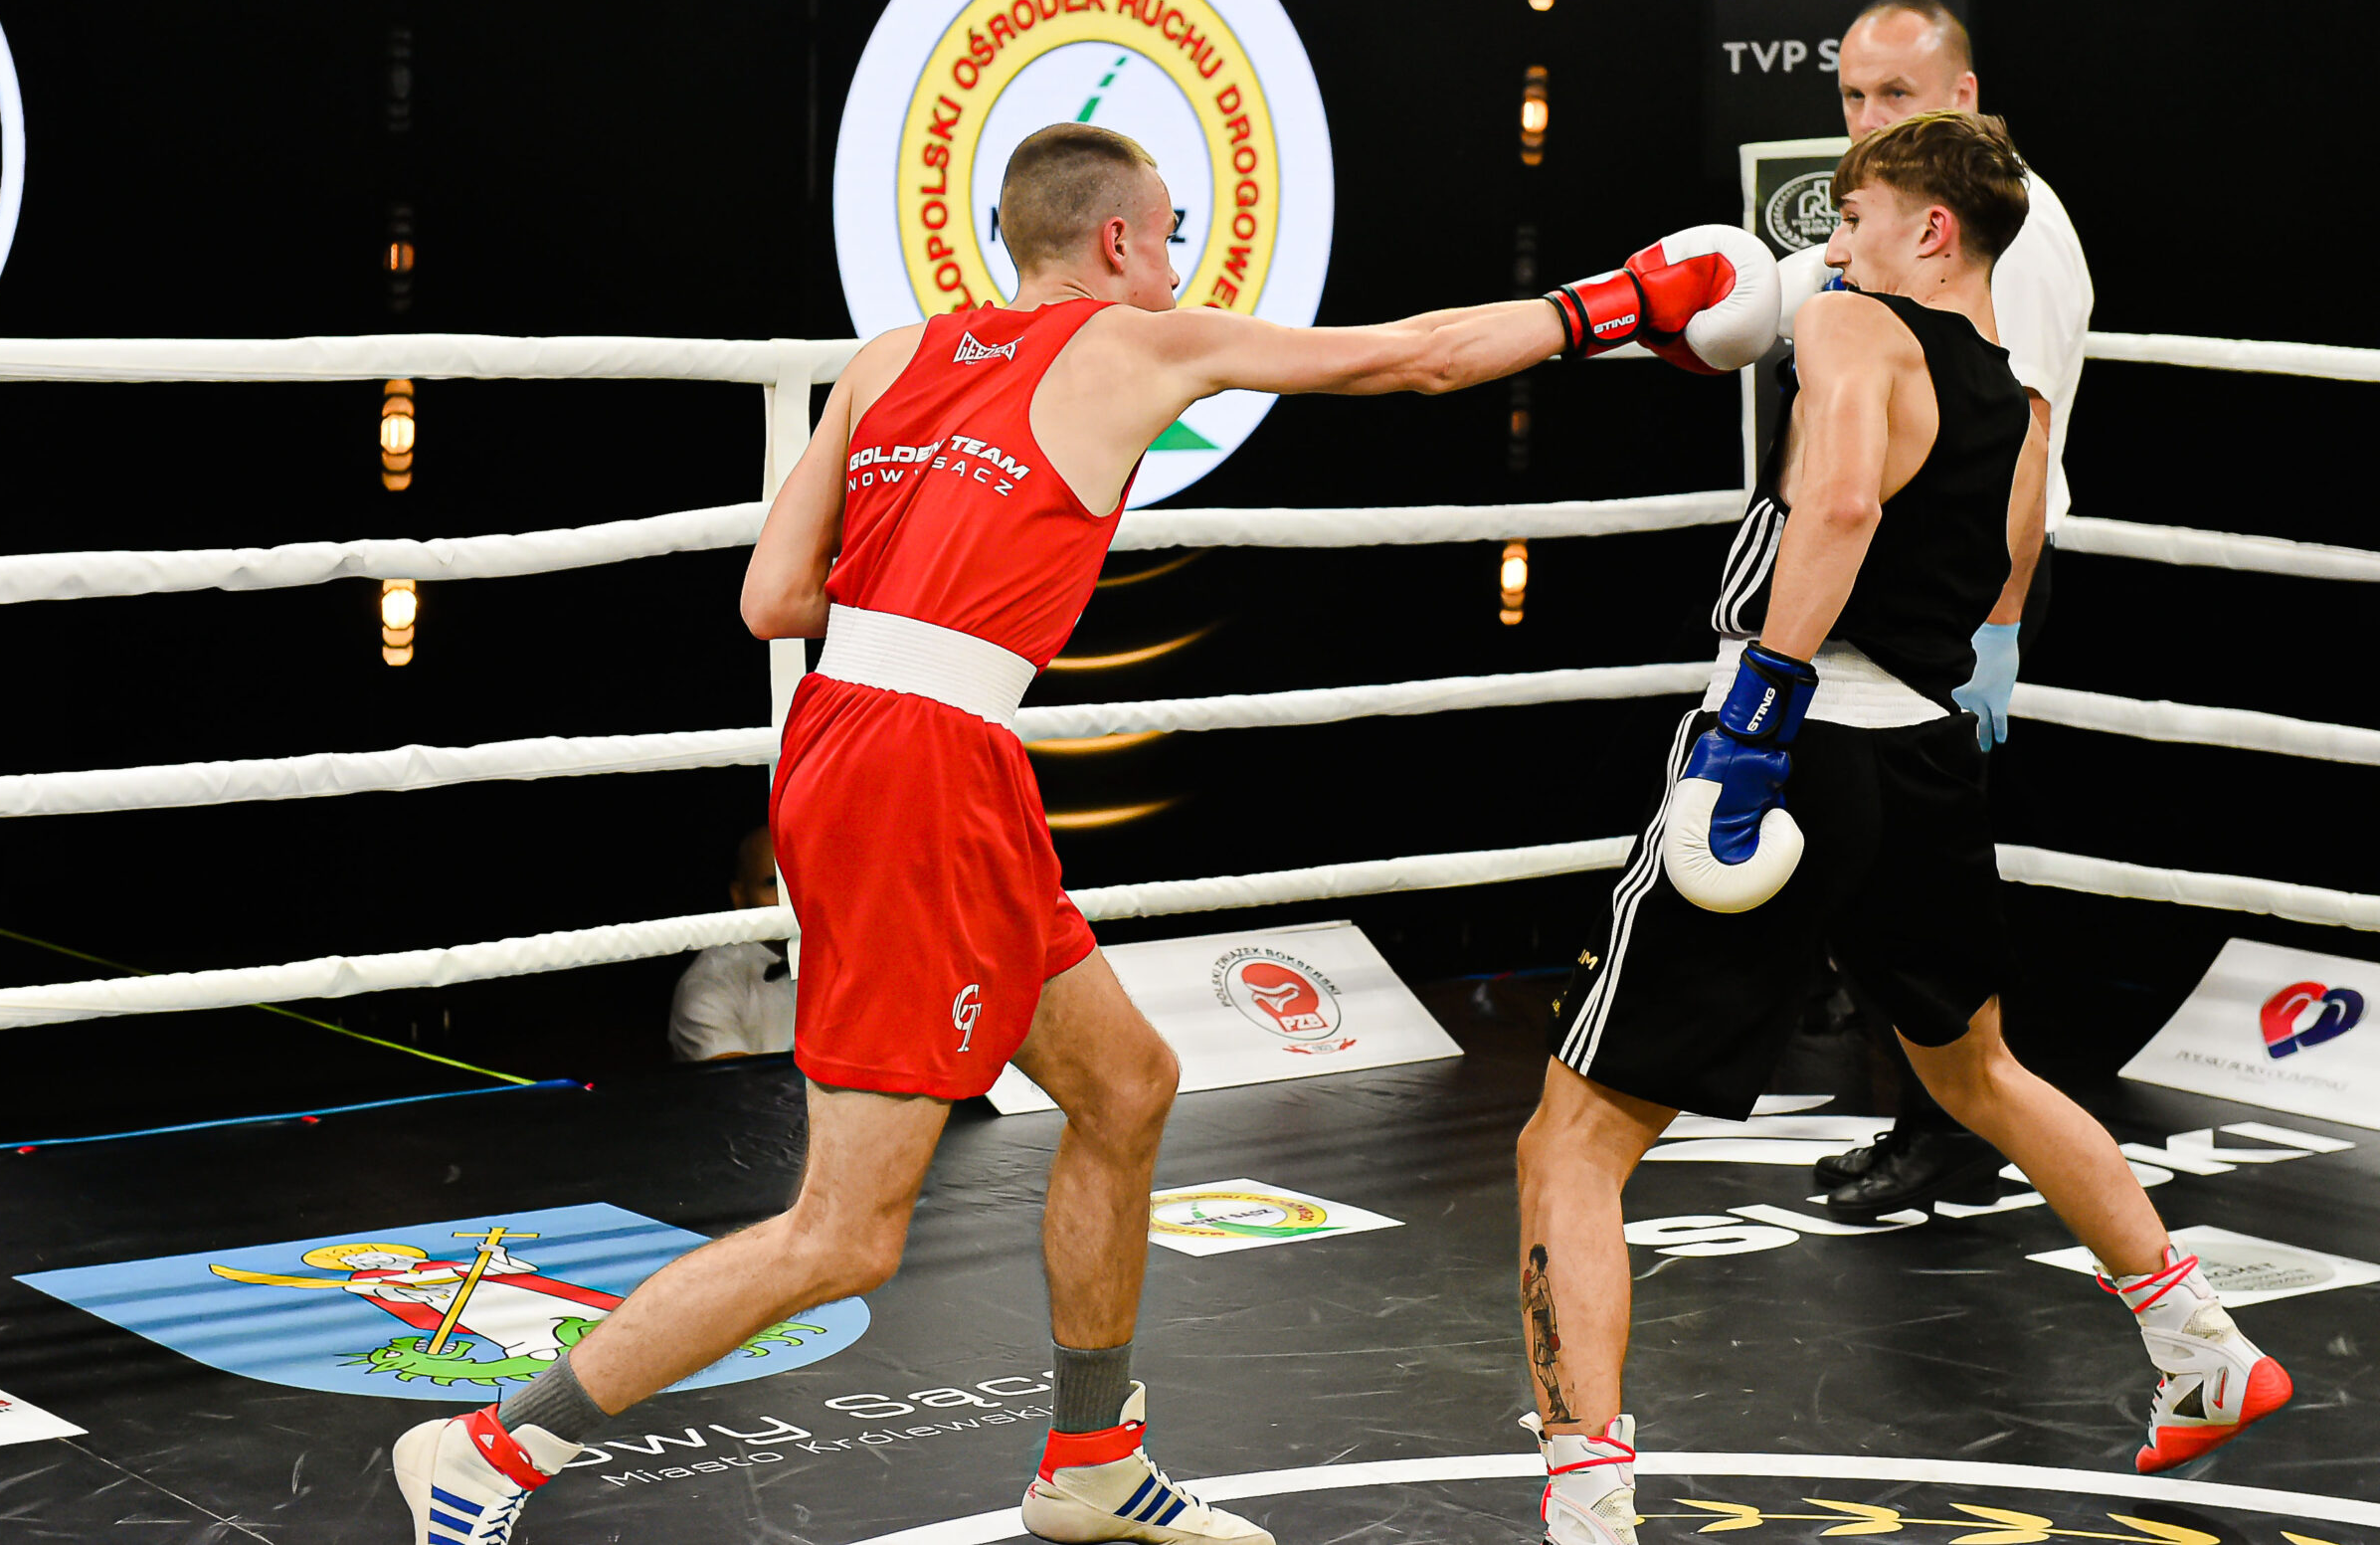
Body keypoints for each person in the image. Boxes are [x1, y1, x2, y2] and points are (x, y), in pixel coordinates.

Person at [390, 118, 1780, 1543]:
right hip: (918, 771)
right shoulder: (1133, 347)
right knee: (844, 1233)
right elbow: (1413, 358)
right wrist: (1620, 303)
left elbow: (771, 600)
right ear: (1116, 241)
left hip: (876, 742)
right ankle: (489, 1449)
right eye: (1169, 236)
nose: (1176, 264)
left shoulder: (889, 358)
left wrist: (931, 577)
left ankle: (1092, 1462)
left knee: (1125, 1084)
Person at [1519, 112, 2286, 1545]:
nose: (1831, 245)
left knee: (1572, 1137)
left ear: (1931, 230)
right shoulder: (2010, 393)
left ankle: (1587, 1502)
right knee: (1978, 1067)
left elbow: (1843, 502)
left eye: (1855, 215)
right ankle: (2202, 1345)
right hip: (1918, 761)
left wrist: (1758, 708)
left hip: (1796, 739)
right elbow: (2003, 556)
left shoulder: (1855, 328)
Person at [1786, 0, 2097, 1218]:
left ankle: (1951, 1127)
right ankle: (1937, 1117)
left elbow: (2019, 434)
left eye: (1895, 95)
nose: (1866, 118)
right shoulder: (1887, 218)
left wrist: (1996, 624)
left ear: (1962, 96)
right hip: (1915, 577)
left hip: (1965, 582)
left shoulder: (2010, 229)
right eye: (1852, 95)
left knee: (1925, 877)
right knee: (1892, 873)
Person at [666, 827, 794, 1062]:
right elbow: (741, 1083)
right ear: (739, 896)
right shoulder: (709, 984)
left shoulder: (852, 960)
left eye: (800, 878)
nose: (791, 896)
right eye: (773, 883)